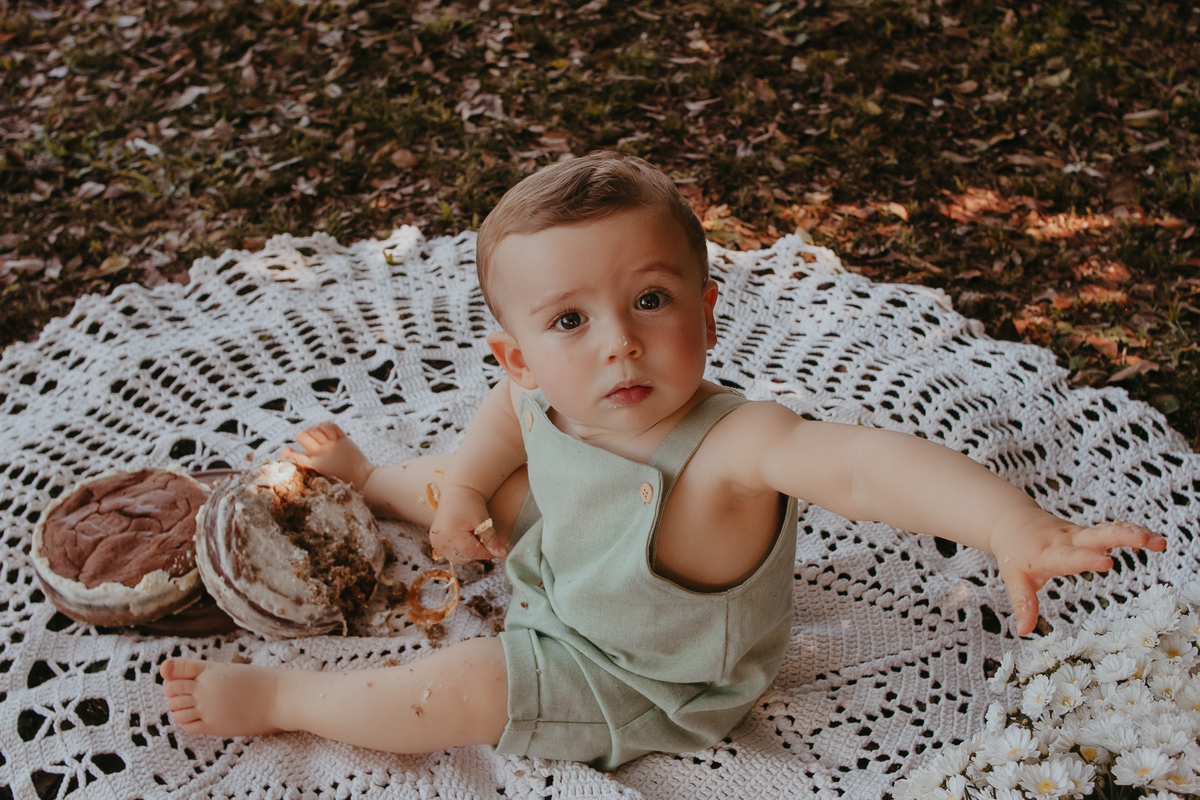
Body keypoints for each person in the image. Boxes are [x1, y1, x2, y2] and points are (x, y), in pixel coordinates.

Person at [160, 151, 1166, 769]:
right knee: (481, 483)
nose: (618, 343)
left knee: (458, 685)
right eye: (570, 319)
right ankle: (372, 475)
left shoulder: (737, 446)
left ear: (705, 310)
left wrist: (1007, 524)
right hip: (561, 555)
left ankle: (284, 698)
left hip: (634, 674)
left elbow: (866, 464)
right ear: (520, 353)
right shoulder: (536, 388)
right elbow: (503, 419)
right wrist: (464, 489)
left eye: (650, 298)